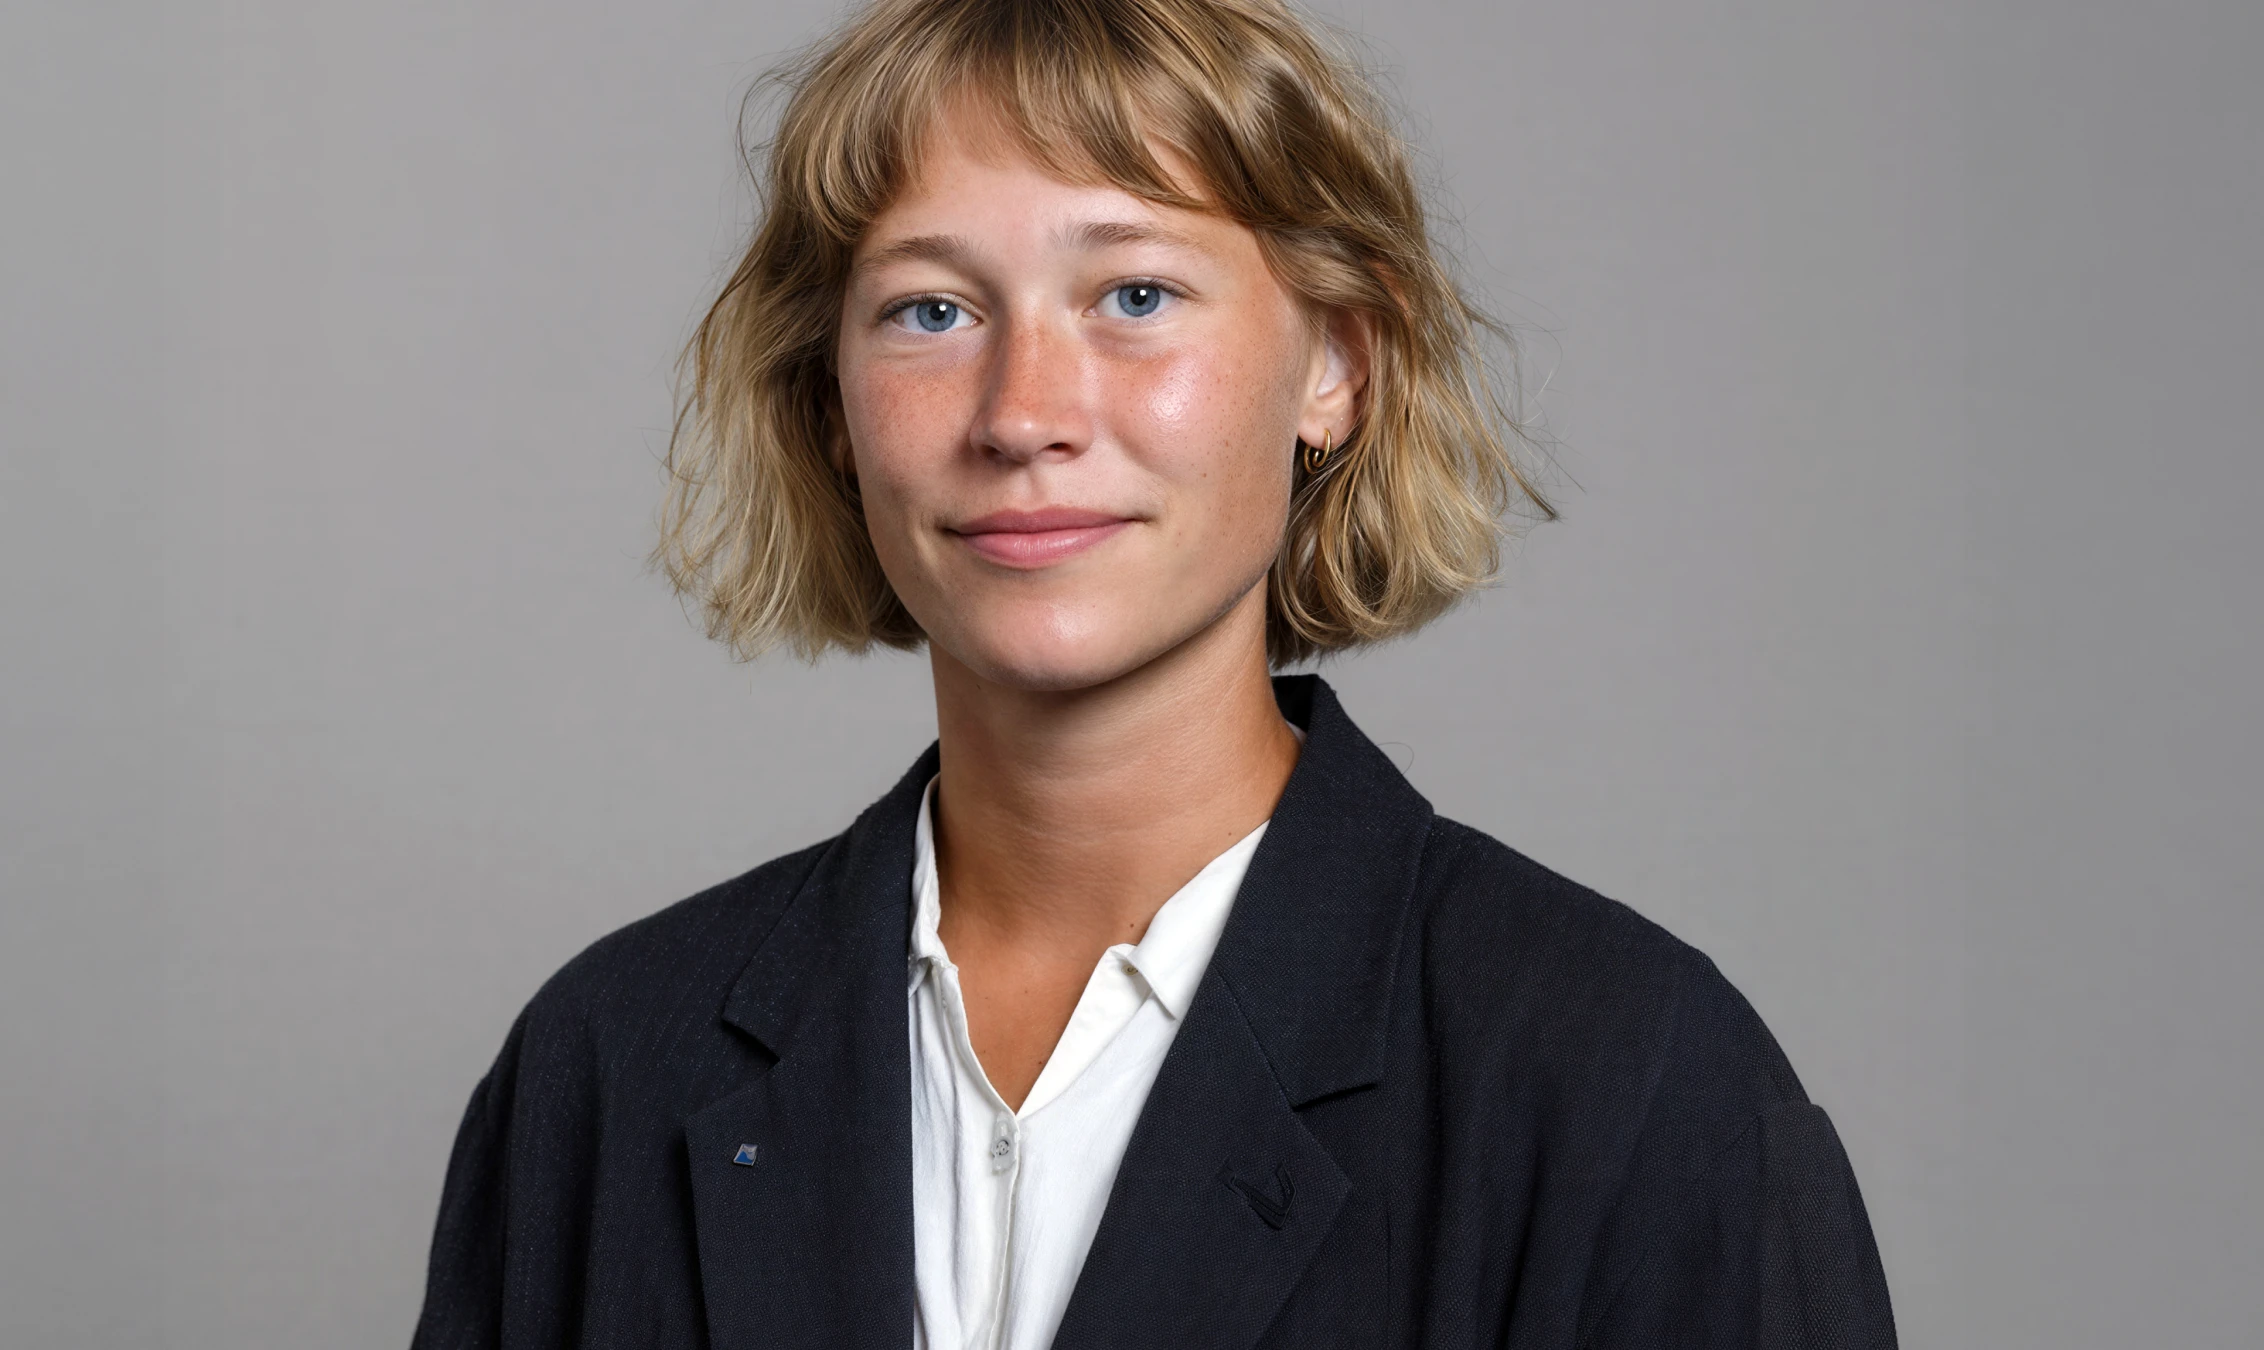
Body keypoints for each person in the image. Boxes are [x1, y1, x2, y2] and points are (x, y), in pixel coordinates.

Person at [409, 0, 1900, 1346]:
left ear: (1336, 365)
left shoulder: (1632, 1087)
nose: (1024, 413)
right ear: (833, 405)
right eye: (932, 308)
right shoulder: (601, 1075)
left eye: (1133, 295)